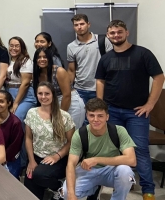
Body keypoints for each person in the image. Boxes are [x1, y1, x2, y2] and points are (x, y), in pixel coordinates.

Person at [96, 20, 164, 200]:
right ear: (108, 35)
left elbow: (159, 77)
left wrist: (150, 104)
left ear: (127, 33)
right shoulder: (106, 58)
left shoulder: (142, 53)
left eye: (119, 32)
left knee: (140, 149)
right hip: (113, 111)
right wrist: (101, 107)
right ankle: (122, 185)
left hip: (137, 113)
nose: (116, 35)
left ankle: (148, 190)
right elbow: (100, 81)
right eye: (112, 33)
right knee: (115, 150)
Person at [62, 98, 136, 200]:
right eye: (91, 115)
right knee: (66, 193)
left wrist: (96, 159)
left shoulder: (119, 131)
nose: (95, 120)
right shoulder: (79, 134)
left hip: (111, 170)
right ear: (87, 116)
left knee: (126, 173)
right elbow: (71, 164)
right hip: (88, 170)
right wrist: (71, 194)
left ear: (107, 117)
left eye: (100, 116)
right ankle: (93, 187)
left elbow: (131, 160)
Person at [24, 82, 75, 200]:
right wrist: (31, 161)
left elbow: (71, 142)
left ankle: (61, 187)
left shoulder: (64, 116)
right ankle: (48, 190)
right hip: (37, 157)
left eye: (47, 94)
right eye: (40, 94)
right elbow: (28, 138)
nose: (43, 97)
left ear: (53, 95)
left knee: (39, 175)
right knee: (28, 192)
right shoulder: (32, 113)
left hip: (58, 159)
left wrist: (57, 156)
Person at [67, 14, 112, 107]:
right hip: (80, 89)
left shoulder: (103, 40)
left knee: (99, 117)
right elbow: (71, 70)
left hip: (100, 88)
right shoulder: (71, 46)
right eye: (76, 25)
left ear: (88, 24)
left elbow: (112, 64)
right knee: (82, 119)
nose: (79, 27)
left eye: (82, 24)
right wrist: (69, 89)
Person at [33, 48, 85, 128]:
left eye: (45, 57)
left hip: (71, 104)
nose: (42, 59)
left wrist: (60, 116)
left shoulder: (59, 71)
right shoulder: (37, 75)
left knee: (72, 136)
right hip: (54, 104)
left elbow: (67, 95)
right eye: (39, 57)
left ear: (50, 58)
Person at [0, 90, 24, 179]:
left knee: (7, 182)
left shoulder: (15, 123)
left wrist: (0, 159)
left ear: (8, 103)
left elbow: (14, 147)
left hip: (9, 159)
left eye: (1, 101)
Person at [6, 36, 36, 122]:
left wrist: (16, 103)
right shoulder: (8, 60)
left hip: (25, 96)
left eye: (17, 46)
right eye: (11, 45)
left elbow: (25, 83)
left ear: (22, 48)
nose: (13, 48)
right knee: (8, 120)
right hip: (9, 93)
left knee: (17, 118)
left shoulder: (26, 61)